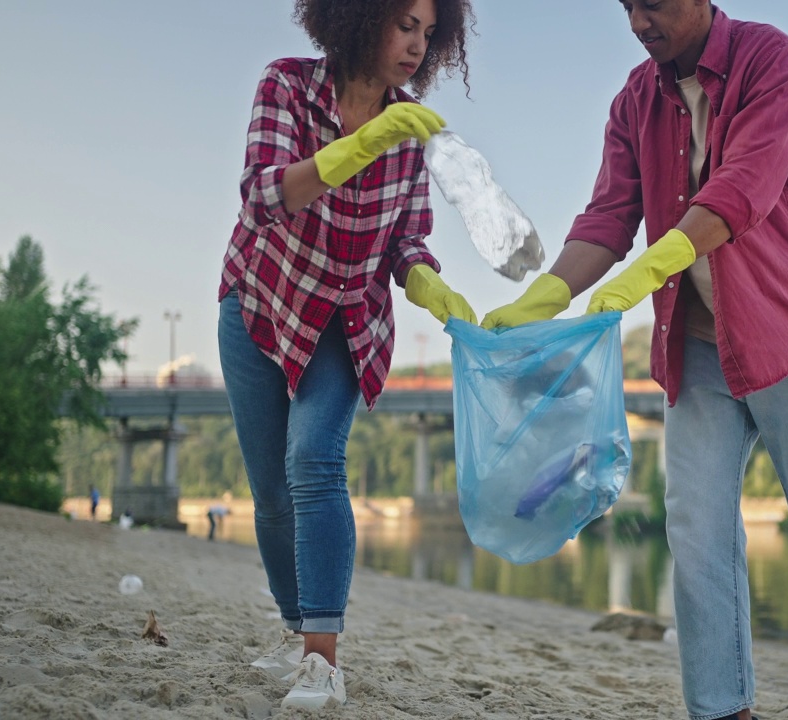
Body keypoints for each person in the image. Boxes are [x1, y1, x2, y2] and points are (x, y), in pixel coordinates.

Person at [482, 2, 788, 719]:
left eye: (654, 2)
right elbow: (610, 216)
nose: (640, 20)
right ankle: (720, 709)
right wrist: (545, 296)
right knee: (696, 535)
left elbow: (745, 188)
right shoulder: (633, 100)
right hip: (697, 349)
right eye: (627, 5)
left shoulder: (776, 63)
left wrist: (649, 268)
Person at [216, 0, 476, 709]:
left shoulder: (410, 131)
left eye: (428, 31)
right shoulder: (287, 87)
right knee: (271, 492)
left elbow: (408, 238)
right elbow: (264, 195)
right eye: (404, 24)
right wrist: (361, 144)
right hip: (260, 304)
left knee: (314, 461)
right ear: (358, 17)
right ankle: (296, 629)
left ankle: (321, 661)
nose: (417, 45)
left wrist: (427, 284)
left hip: (345, 320)